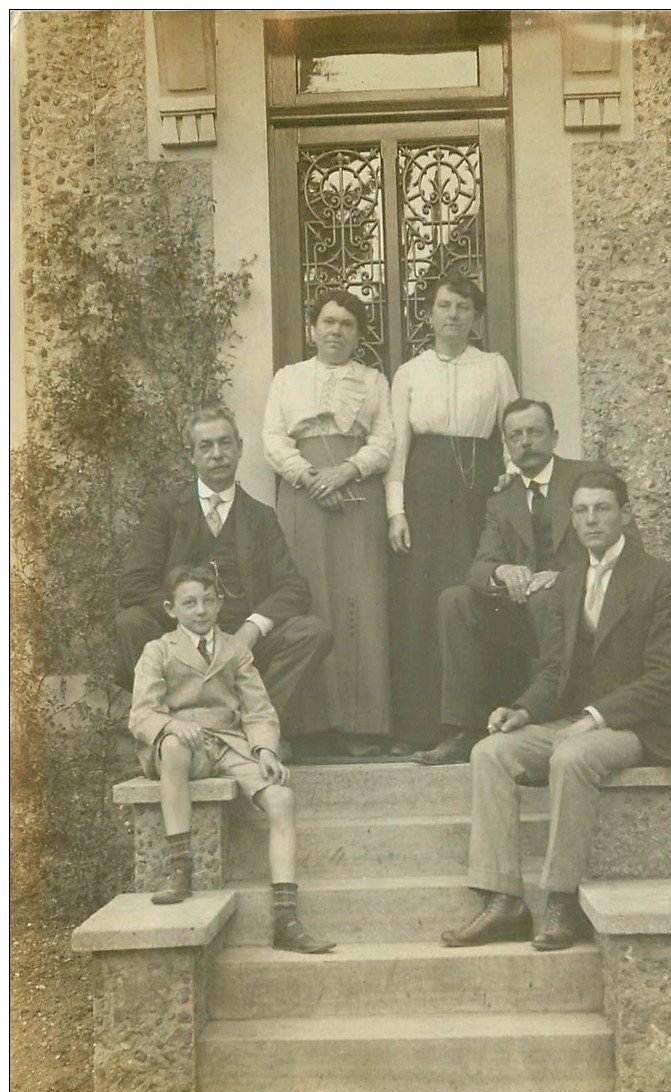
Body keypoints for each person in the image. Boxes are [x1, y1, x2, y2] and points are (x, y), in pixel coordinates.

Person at [442, 468, 671, 952]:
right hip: (574, 720)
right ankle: (503, 900)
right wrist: (522, 711)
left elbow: (664, 678)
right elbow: (554, 672)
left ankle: (561, 899)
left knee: (571, 757)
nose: (591, 520)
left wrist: (593, 719)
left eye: (602, 509)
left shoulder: (662, 579)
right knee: (491, 752)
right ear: (572, 519)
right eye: (581, 510)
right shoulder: (569, 582)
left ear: (625, 514)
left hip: (637, 727)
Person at [413, 398, 640, 764]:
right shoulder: (503, 499)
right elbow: (479, 565)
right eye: (515, 435)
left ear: (554, 436)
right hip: (521, 615)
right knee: (454, 600)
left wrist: (566, 576)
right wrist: (501, 572)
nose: (526, 441)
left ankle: (546, 714)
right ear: (506, 445)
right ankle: (465, 727)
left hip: (583, 608)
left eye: (535, 432)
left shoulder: (589, 478)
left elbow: (627, 545)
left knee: (545, 597)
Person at [129, 564, 334, 953]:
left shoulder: (235, 650)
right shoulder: (158, 650)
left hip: (228, 741)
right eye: (189, 603)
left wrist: (265, 750)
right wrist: (170, 726)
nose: (201, 610)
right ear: (172, 609)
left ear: (220, 602)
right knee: (173, 748)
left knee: (282, 796)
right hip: (182, 745)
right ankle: (180, 865)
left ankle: (286, 917)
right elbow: (141, 714)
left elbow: (258, 709)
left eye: (208, 601)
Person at [116, 405, 332, 748]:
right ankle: (168, 728)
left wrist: (249, 630)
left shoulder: (260, 517)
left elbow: (293, 587)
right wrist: (182, 622)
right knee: (131, 622)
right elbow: (133, 584)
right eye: (206, 446)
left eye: (225, 443)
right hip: (180, 639)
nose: (217, 454)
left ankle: (256, 729)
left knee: (311, 632)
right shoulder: (168, 510)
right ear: (192, 455)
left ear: (240, 448)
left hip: (240, 641)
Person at [385, 275, 518, 747]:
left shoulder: (494, 366)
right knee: (424, 602)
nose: (453, 315)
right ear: (429, 314)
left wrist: (510, 476)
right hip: (425, 490)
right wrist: (396, 510)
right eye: (444, 305)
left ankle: (479, 719)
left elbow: (512, 428)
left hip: (482, 487)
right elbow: (398, 444)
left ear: (476, 318)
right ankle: (422, 725)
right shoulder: (410, 372)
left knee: (475, 593)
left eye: (463, 307)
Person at [263, 290, 394, 756]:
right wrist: (312, 476)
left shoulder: (375, 382)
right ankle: (309, 725)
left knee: (360, 602)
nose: (336, 331)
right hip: (303, 496)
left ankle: (361, 726)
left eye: (347, 324)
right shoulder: (288, 379)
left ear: (358, 335)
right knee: (310, 597)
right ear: (312, 329)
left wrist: (345, 471)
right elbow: (273, 441)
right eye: (328, 322)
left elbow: (384, 442)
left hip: (358, 495)